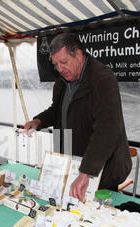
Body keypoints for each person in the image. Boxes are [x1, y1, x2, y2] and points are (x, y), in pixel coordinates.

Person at [24, 33, 131, 201]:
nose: (60, 69)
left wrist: (86, 171)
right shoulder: (61, 82)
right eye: (56, 64)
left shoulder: (103, 79)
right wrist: (38, 121)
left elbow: (108, 127)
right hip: (72, 164)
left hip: (100, 169)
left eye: (64, 62)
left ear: (79, 55)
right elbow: (57, 110)